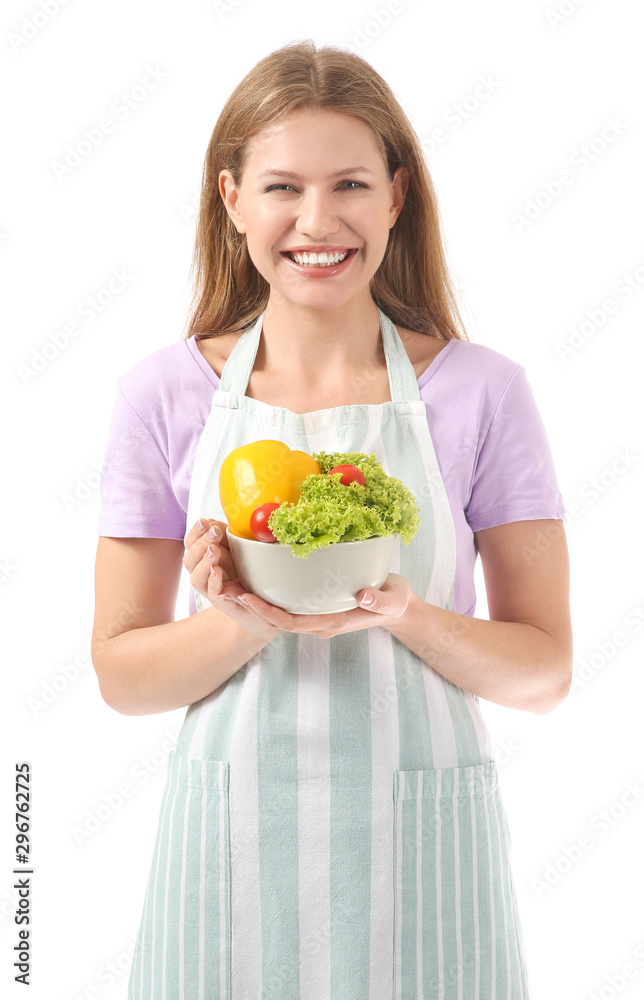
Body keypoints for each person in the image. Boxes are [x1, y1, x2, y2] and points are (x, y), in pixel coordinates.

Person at [92, 39, 572, 1000]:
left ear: (397, 195)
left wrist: (405, 615)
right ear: (231, 201)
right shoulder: (163, 394)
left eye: (350, 182)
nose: (318, 221)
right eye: (281, 188)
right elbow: (119, 675)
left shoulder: (483, 392)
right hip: (226, 855)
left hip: (422, 856)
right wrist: (241, 615)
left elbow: (546, 671)